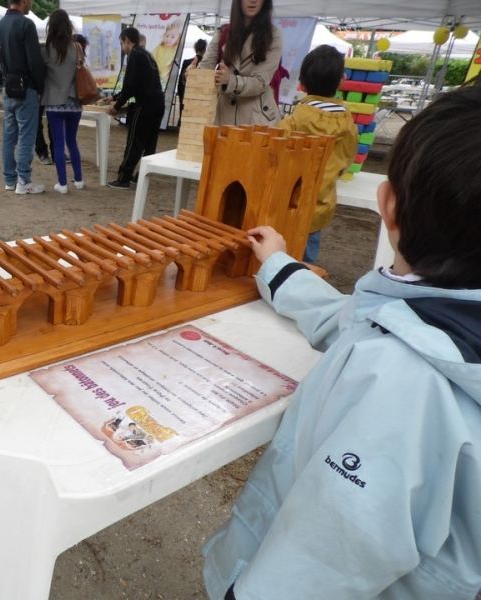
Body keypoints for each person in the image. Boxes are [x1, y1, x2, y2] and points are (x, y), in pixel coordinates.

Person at [202, 86, 481, 599]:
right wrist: (281, 269)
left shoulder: (402, 382)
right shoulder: (439, 318)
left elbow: (328, 553)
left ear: (387, 204)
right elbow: (356, 318)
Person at [277, 45, 357, 263]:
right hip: (319, 207)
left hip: (286, 206)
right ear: (342, 80)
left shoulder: (292, 122)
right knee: (305, 264)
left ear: (301, 84)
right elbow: (348, 159)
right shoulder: (349, 124)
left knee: (277, 258)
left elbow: (274, 157)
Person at [0, 0, 46, 195]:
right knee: (27, 135)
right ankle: (24, 181)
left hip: (8, 89)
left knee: (9, 136)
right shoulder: (26, 24)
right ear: (24, 1)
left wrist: (2, 79)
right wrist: (40, 86)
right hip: (26, 88)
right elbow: (35, 61)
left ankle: (10, 181)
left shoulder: (0, 25)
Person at [198, 0, 282, 126]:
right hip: (224, 118)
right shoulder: (224, 32)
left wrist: (230, 81)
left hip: (257, 120)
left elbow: (260, 82)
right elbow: (205, 67)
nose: (253, 1)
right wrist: (193, 74)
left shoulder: (273, 35)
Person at [107, 27, 165, 190]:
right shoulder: (147, 55)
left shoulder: (134, 56)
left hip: (144, 105)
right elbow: (138, 83)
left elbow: (130, 85)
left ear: (126, 40)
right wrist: (116, 96)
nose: (122, 47)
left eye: (121, 43)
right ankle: (141, 176)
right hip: (157, 104)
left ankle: (124, 177)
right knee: (149, 143)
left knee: (134, 142)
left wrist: (116, 106)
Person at [41, 9, 84, 194]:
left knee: (58, 144)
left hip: (53, 101)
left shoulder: (46, 48)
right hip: (74, 101)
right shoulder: (76, 47)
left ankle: (63, 184)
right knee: (72, 142)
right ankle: (80, 180)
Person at [178, 39, 208, 117]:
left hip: (185, 93)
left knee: (183, 116)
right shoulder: (207, 65)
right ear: (205, 49)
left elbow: (181, 80)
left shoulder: (186, 62)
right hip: (200, 96)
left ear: (195, 48)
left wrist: (180, 93)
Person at [151, 18, 183, 85]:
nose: (168, 39)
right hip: (155, 73)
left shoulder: (176, 49)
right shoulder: (160, 46)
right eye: (167, 36)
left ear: (178, 39)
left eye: (172, 37)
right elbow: (152, 56)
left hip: (166, 76)